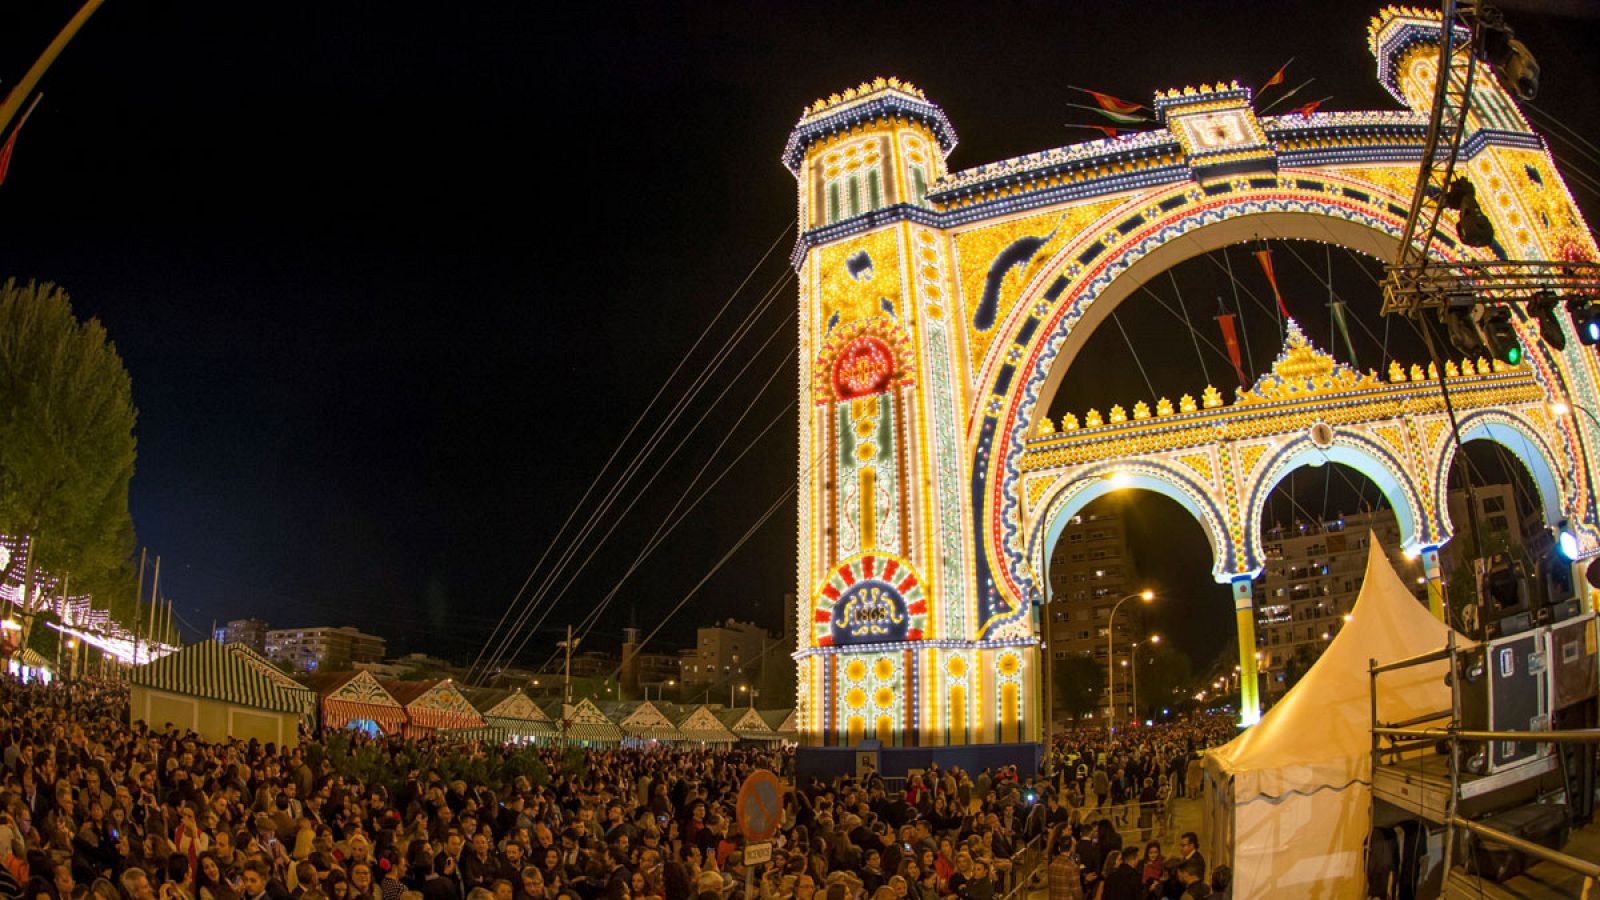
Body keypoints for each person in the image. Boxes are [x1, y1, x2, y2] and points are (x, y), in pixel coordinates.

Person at [1045, 827, 1081, 900]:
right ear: (1071, 848)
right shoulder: (1072, 867)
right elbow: (1077, 892)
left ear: (1059, 848)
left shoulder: (1052, 865)